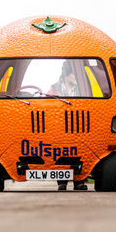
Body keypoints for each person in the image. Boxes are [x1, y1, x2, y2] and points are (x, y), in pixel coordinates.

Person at [50, 62, 86, 191]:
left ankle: (79, 182)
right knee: (62, 155)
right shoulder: (54, 89)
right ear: (66, 75)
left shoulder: (82, 89)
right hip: (59, 127)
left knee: (79, 154)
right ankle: (62, 183)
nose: (74, 76)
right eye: (72, 74)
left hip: (77, 126)